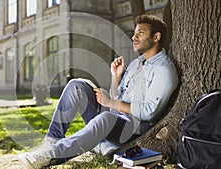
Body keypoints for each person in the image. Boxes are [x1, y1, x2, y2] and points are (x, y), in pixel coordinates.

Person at [18, 14, 179, 169]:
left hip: (133, 128)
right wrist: (115, 77)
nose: (134, 37)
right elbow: (117, 97)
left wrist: (111, 103)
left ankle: (50, 155)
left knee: (107, 117)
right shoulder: (136, 64)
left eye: (140, 33)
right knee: (76, 85)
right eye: (134, 33)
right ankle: (51, 141)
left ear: (156, 37)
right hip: (114, 117)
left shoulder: (164, 70)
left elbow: (148, 112)